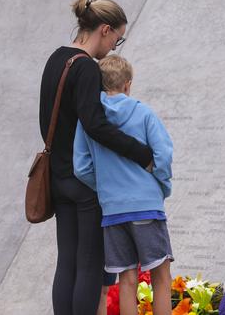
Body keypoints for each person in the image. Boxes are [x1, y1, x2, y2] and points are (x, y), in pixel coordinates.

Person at [39, 0, 153, 315]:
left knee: (67, 264)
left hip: (59, 179)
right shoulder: (88, 69)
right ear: (104, 29)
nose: (114, 48)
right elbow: (96, 125)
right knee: (89, 266)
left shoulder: (55, 59)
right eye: (116, 40)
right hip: (85, 182)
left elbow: (45, 119)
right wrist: (139, 151)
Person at [73, 55, 174, 315]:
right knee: (161, 277)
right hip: (146, 206)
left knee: (126, 280)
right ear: (128, 84)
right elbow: (163, 155)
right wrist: (161, 186)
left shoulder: (87, 121)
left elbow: (81, 167)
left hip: (113, 212)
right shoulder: (143, 112)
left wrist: (106, 189)